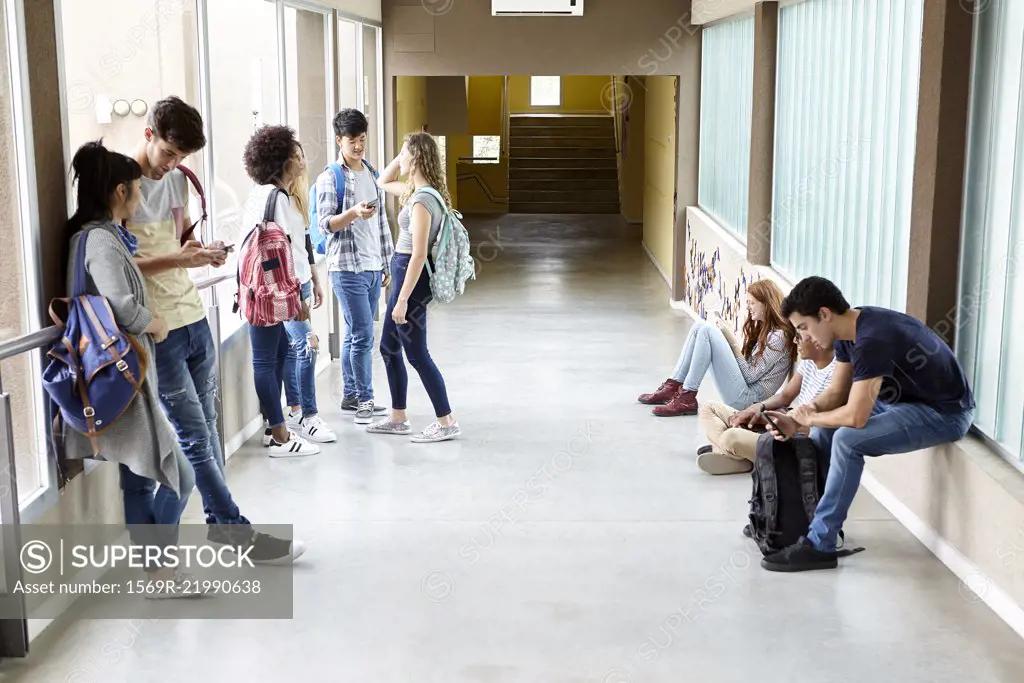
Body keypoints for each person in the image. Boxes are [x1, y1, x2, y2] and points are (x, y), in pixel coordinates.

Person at [126, 96, 305, 563]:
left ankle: (213, 533)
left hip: (193, 317)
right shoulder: (121, 184)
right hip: (158, 332)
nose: (174, 164)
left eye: (183, 157)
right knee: (195, 439)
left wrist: (203, 252)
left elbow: (180, 241)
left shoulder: (179, 182)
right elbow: (118, 265)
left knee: (207, 430)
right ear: (149, 135)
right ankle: (230, 534)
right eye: (169, 153)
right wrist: (179, 258)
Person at [761, 276, 976, 572]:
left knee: (848, 440)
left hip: (944, 412)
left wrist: (803, 422)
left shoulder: (873, 339)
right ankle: (814, 524)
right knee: (825, 430)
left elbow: (855, 417)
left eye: (804, 328)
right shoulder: (850, 330)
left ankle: (820, 545)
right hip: (902, 401)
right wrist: (800, 414)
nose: (805, 337)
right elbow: (836, 394)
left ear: (824, 314)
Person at [62, 140, 196, 597]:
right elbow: (118, 303)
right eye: (136, 189)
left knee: (141, 476)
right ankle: (161, 569)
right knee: (181, 472)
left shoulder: (100, 235)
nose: (140, 197)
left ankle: (156, 573)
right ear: (121, 191)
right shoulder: (99, 238)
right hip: (126, 376)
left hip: (123, 376)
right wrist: (154, 322)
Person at [366, 133, 461, 443]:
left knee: (417, 354)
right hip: (405, 271)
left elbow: (419, 253)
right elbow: (382, 182)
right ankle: (398, 417)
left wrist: (402, 300)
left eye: (404, 154)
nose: (400, 160)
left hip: (412, 277)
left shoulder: (421, 201)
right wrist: (404, 153)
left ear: (417, 159)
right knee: (389, 347)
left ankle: (446, 422)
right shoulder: (418, 192)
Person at [240, 125, 324, 456]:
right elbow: (281, 255)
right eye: (296, 153)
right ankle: (280, 437)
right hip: (270, 293)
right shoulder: (277, 198)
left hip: (254, 290)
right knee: (266, 360)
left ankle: (274, 427)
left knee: (276, 356)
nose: (301, 158)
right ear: (284, 161)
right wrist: (297, 298)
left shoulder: (260, 195)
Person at [316, 108, 393, 425]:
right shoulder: (329, 177)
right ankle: (365, 398)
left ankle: (350, 394)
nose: (359, 146)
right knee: (363, 334)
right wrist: (353, 214)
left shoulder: (374, 174)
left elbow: (383, 223)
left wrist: (388, 263)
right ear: (339, 140)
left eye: (362, 139)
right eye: (352, 140)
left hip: (374, 266)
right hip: (346, 268)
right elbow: (324, 226)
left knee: (352, 334)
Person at [638, 280, 796, 416]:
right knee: (700, 326)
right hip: (745, 392)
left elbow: (750, 376)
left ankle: (687, 396)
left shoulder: (779, 337)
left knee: (707, 331)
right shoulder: (767, 330)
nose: (748, 307)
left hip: (748, 400)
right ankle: (673, 386)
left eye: (752, 303)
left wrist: (732, 342)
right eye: (747, 303)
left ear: (767, 304)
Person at [696, 334, 835, 475]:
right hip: (779, 427)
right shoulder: (809, 361)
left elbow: (819, 430)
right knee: (709, 408)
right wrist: (757, 408)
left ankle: (727, 450)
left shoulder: (837, 374)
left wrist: (775, 420)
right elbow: (785, 396)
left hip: (797, 444)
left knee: (730, 436)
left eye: (800, 334)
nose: (794, 340)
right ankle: (738, 457)